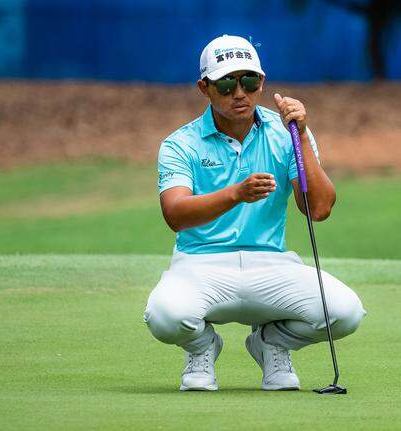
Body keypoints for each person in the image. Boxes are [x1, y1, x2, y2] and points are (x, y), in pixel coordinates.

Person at [143, 34, 366, 392]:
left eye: (249, 81)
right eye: (227, 83)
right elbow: (176, 214)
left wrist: (302, 135)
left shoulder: (287, 133)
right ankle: (201, 348)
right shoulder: (180, 143)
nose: (239, 93)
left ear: (261, 82)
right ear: (205, 88)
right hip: (201, 265)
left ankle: (272, 343)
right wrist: (235, 194)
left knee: (345, 312)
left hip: (271, 265)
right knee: (166, 316)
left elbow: (319, 209)